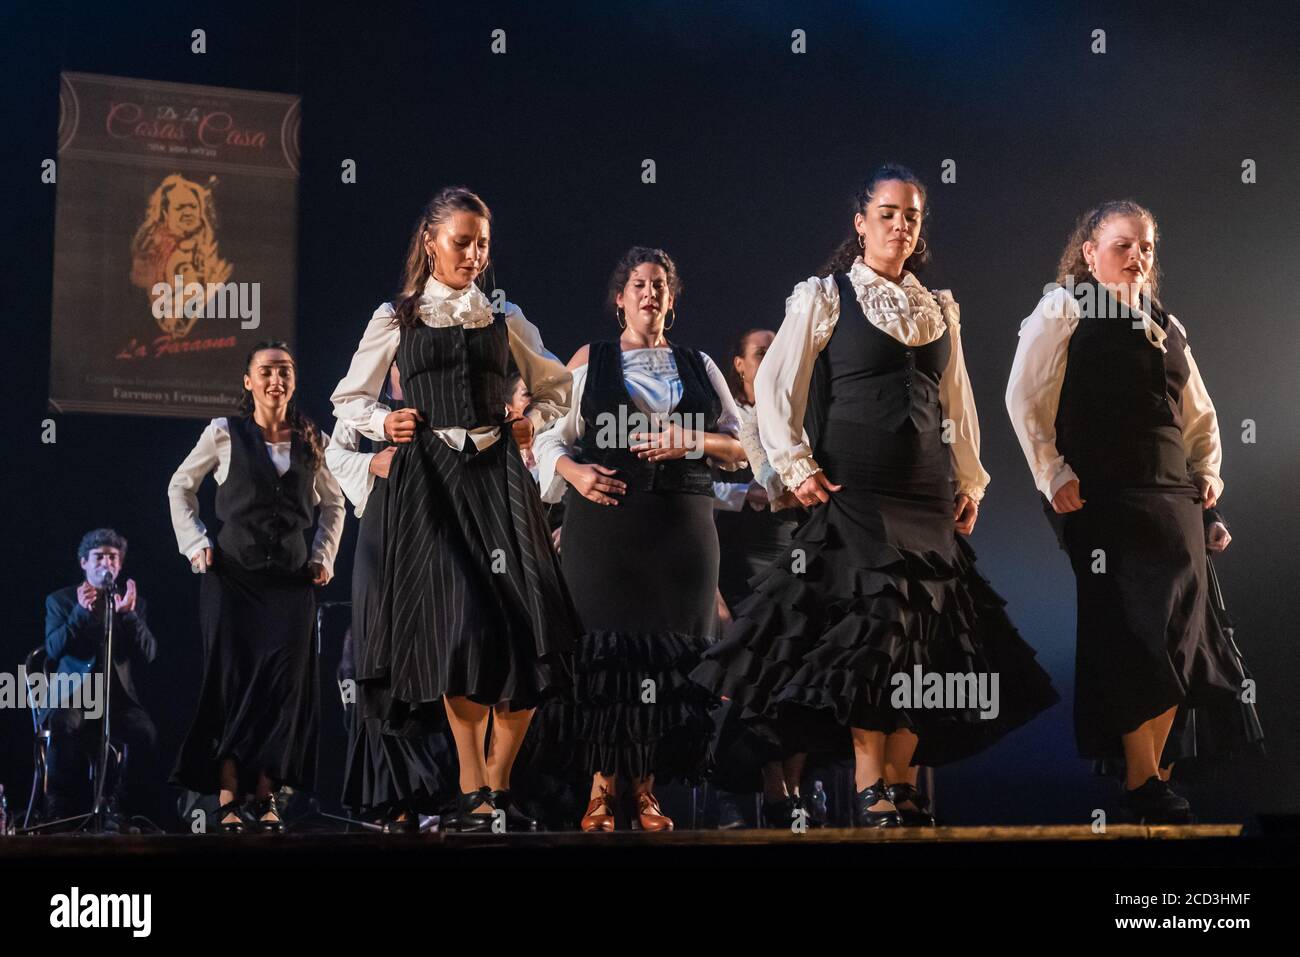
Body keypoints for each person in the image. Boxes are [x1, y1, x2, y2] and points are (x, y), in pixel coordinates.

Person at [693, 165, 1058, 828]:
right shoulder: (825, 295)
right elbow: (776, 386)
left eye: (911, 215)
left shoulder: (937, 305)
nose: (900, 225)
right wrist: (795, 464)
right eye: (887, 213)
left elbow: (959, 400)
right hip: (855, 486)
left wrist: (970, 479)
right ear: (860, 222)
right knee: (876, 629)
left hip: (925, 488)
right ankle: (868, 779)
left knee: (930, 633)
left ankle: (900, 779)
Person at [330, 186, 578, 832]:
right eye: (463, 241)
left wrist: (531, 418)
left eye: (483, 243)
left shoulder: (503, 315)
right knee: (456, 623)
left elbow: (558, 386)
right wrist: (388, 421)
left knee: (532, 634)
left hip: (497, 478)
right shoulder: (398, 316)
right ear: (431, 242)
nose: (474, 254)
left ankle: (492, 788)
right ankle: (473, 786)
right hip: (431, 484)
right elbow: (348, 398)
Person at [1006, 201, 1250, 822]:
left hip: (1172, 496)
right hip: (1105, 495)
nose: (1138, 256)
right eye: (1123, 245)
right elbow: (1024, 397)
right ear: (1090, 253)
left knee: (1181, 636)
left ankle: (1155, 777)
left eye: (1145, 246)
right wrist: (1052, 473)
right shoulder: (1064, 306)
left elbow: (1198, 414)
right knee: (1131, 631)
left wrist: (1209, 477)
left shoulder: (1166, 322)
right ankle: (1142, 778)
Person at [528, 246, 746, 832]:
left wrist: (690, 442)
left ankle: (646, 792)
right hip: (607, 525)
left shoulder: (699, 365)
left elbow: (744, 446)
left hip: (680, 529)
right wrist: (574, 472)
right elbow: (548, 440)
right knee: (606, 654)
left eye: (660, 285)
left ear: (671, 300)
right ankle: (600, 792)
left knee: (666, 657)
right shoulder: (589, 360)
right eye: (639, 284)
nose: (650, 293)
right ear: (620, 297)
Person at [168, 341, 345, 832]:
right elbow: (180, 486)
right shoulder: (224, 433)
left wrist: (321, 555)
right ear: (248, 382)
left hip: (290, 586)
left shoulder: (313, 438)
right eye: (266, 371)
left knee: (281, 690)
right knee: (233, 684)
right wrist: (195, 543)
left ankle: (266, 799)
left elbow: (335, 504)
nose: (276, 380)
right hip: (233, 580)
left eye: (284, 371)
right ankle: (227, 799)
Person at [327, 364, 456, 830]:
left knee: (430, 652)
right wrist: (372, 465)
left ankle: (434, 792)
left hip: (436, 528)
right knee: (378, 655)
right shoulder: (366, 397)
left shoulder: (443, 392)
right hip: (382, 529)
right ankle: (393, 793)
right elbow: (334, 454)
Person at [43, 528, 159, 830]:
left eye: (112, 557)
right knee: (62, 723)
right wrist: (80, 613)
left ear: (119, 565)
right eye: (98, 557)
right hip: (74, 696)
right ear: (84, 562)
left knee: (144, 732)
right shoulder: (61, 601)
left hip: (116, 700)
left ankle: (119, 806)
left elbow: (149, 654)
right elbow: (53, 651)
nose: (105, 563)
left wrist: (130, 617)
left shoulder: (129, 603)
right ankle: (60, 807)